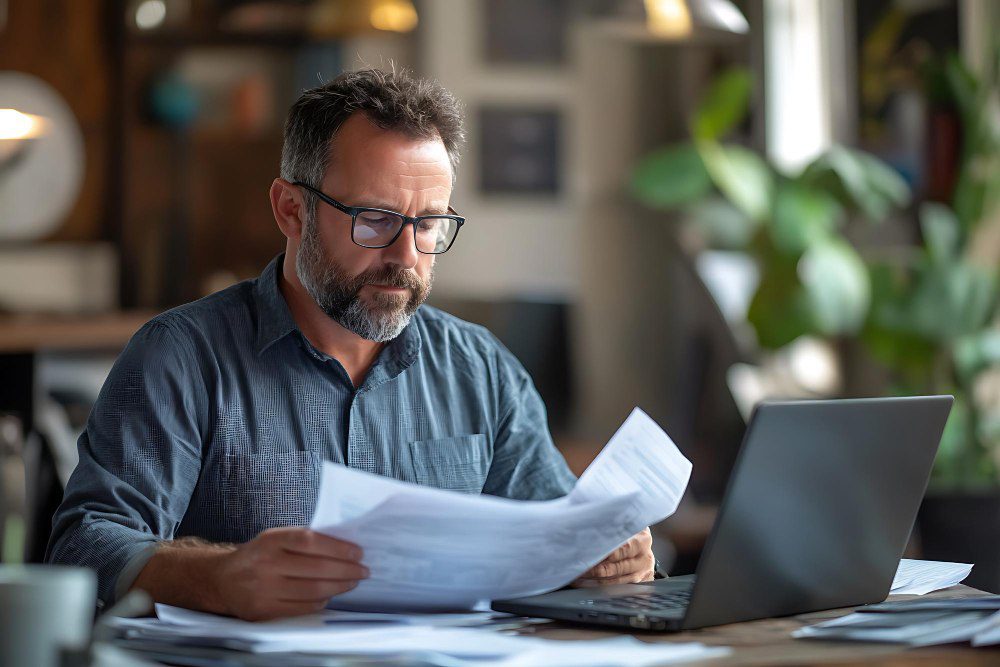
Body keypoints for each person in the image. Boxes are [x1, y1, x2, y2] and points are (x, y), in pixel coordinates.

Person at [46, 67, 654, 621]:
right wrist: (215, 577)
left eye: (429, 225)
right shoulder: (181, 357)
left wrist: (598, 565)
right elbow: (85, 545)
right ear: (290, 209)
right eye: (375, 219)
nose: (404, 256)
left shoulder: (481, 370)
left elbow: (554, 541)